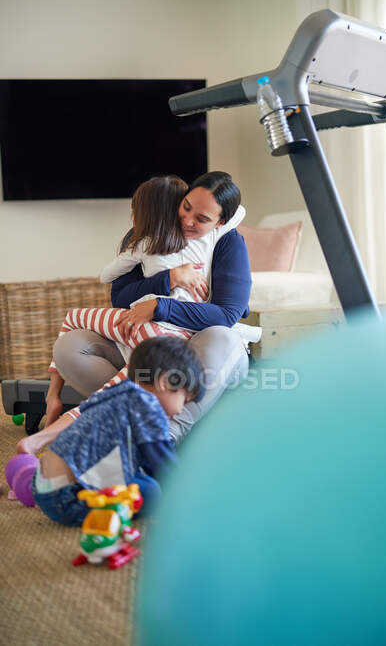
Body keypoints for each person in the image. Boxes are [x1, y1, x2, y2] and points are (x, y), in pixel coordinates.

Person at [17, 171, 255, 455]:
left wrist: (160, 305)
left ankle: (166, 434)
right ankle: (138, 418)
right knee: (70, 345)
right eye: (187, 207)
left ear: (221, 222)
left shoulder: (228, 242)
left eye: (202, 219)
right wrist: (167, 279)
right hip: (144, 340)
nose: (188, 221)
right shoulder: (149, 233)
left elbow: (227, 314)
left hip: (201, 348)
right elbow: (119, 296)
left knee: (221, 337)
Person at [32, 337, 204, 527]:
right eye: (184, 399)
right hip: (68, 498)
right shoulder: (149, 406)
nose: (180, 411)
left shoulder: (117, 392)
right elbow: (163, 463)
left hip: (40, 486)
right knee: (151, 491)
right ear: (165, 382)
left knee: (141, 470)